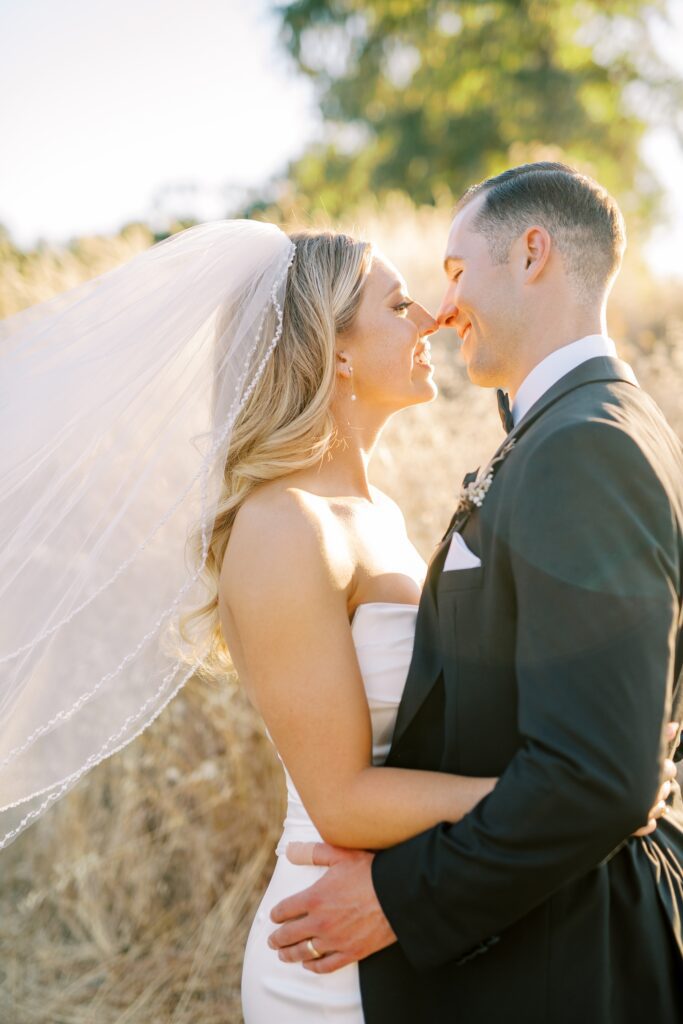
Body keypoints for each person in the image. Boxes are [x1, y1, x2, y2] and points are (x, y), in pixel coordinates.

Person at [267, 163, 683, 1024]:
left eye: (455, 273)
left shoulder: (582, 446)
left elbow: (600, 777)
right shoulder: (578, 429)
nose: (442, 308)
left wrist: (399, 898)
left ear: (532, 254)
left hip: (563, 951)